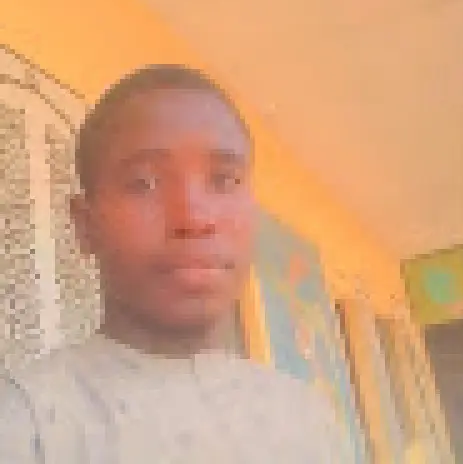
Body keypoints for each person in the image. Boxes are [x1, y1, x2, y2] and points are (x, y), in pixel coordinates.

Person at [0, 65, 354, 463]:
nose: (194, 218)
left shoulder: (307, 419)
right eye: (144, 183)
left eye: (223, 181)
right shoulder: (27, 424)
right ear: (86, 226)